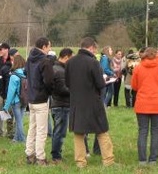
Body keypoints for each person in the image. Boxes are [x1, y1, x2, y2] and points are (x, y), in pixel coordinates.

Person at [66, 37, 115, 168]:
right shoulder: (93, 62)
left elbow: (67, 83)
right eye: (95, 49)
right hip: (93, 102)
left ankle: (80, 162)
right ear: (91, 47)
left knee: (79, 133)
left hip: (77, 101)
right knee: (102, 131)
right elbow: (100, 84)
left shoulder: (70, 62)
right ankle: (108, 160)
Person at [131, 47, 158, 165]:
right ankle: (153, 159)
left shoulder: (138, 67)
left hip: (142, 104)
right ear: (157, 55)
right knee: (156, 132)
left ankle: (142, 160)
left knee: (142, 131)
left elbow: (134, 86)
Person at [24, 37, 54, 166]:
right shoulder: (45, 61)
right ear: (43, 47)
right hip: (41, 99)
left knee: (32, 127)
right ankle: (40, 158)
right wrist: (49, 92)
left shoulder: (29, 59)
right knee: (42, 130)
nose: (50, 49)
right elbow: (49, 81)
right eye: (49, 47)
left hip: (31, 98)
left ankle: (29, 154)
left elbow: (26, 73)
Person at [50, 48, 73, 163]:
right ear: (65, 57)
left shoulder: (56, 68)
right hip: (61, 105)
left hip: (57, 104)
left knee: (57, 131)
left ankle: (56, 153)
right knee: (60, 132)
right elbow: (62, 89)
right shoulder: (60, 71)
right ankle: (56, 156)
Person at [3, 54, 27, 144]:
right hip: (25, 100)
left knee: (18, 121)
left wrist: (6, 106)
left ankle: (23, 139)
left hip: (16, 101)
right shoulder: (26, 74)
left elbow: (10, 93)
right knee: (20, 119)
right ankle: (16, 139)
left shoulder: (14, 76)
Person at [0, 42, 13, 139]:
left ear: (7, 50)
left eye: (1, 49)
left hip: (10, 91)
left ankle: (10, 132)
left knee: (10, 113)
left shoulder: (13, 60)